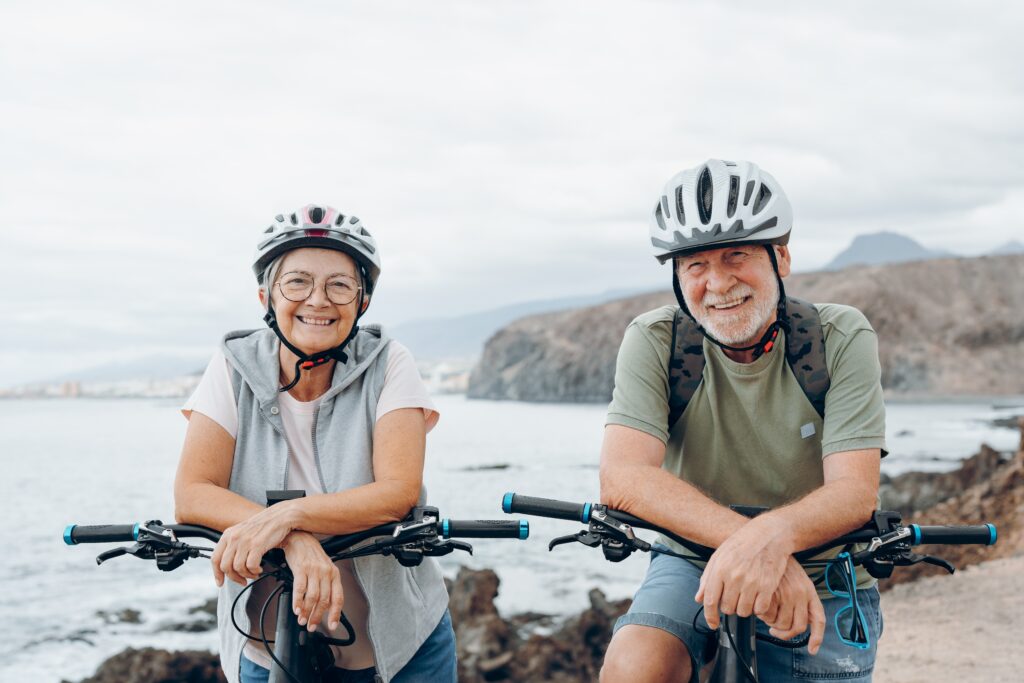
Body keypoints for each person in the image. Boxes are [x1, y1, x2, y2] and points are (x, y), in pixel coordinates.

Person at [599, 160, 886, 682]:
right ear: (677, 276)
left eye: (737, 255)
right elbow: (624, 478)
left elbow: (854, 493)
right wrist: (755, 545)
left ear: (781, 257)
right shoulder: (655, 339)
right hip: (690, 559)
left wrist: (775, 540)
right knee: (634, 665)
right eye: (696, 265)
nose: (718, 282)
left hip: (820, 571)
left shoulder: (839, 335)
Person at [174, 205, 454, 683]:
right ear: (266, 295)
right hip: (268, 646)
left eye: (340, 285)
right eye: (297, 282)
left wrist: (287, 516)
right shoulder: (231, 365)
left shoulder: (389, 362)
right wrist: (296, 541)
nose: (318, 300)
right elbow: (193, 493)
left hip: (401, 644)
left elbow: (398, 491)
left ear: (362, 301)